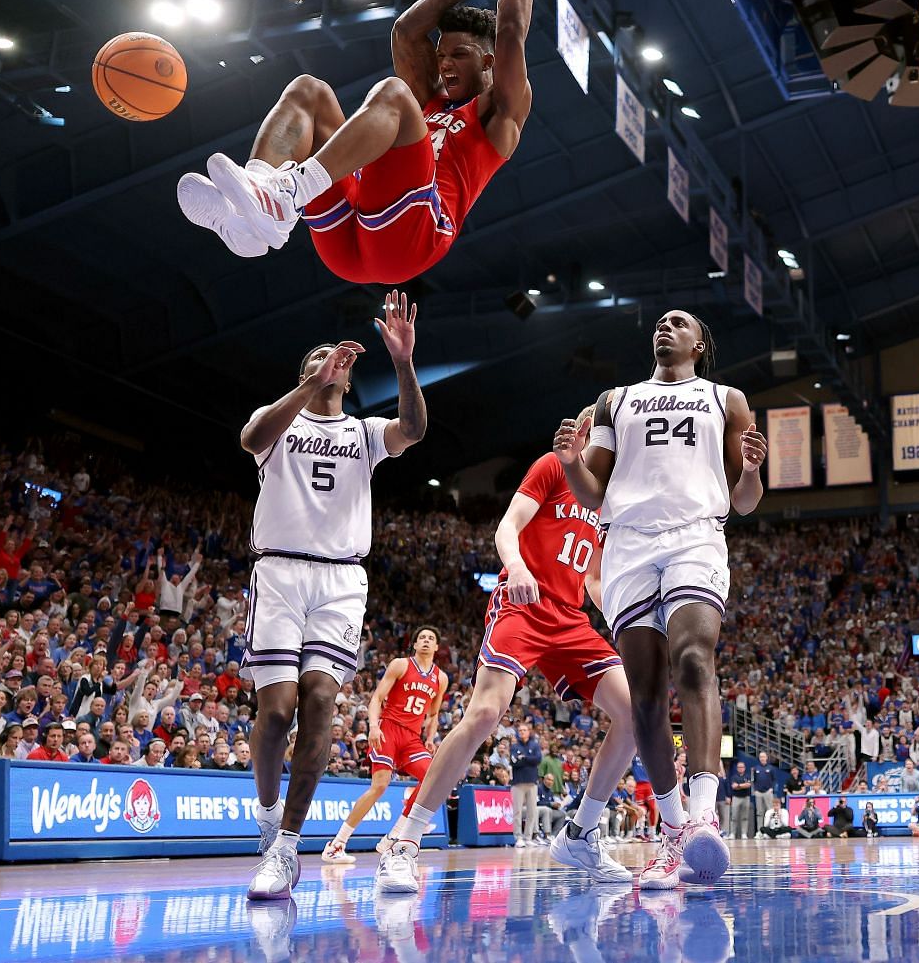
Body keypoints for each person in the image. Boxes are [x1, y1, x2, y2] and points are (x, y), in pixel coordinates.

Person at [180, 0, 537, 281]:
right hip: (354, 232)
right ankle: (251, 211)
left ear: (488, 62)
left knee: (394, 92)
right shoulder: (430, 99)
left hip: (414, 238)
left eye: (458, 55)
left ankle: (288, 192)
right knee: (309, 90)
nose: (444, 64)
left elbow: (511, 29)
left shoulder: (501, 111)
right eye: (441, 55)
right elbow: (405, 32)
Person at [375, 413, 640, 891]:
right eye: (586, 421)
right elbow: (507, 527)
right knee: (484, 713)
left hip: (570, 619)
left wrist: (624, 623)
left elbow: (595, 579)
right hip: (523, 602)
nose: (589, 428)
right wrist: (516, 567)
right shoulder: (554, 467)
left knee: (636, 714)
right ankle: (405, 840)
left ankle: (580, 833)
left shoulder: (607, 501)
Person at [552, 312, 768, 890]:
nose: (665, 327)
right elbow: (592, 491)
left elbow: (745, 502)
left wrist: (749, 471)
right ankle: (673, 832)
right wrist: (572, 462)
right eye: (661, 322)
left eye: (681, 323)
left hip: (696, 534)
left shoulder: (727, 399)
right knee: (645, 695)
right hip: (627, 544)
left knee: (694, 659)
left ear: (701, 342)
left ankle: (703, 814)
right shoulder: (615, 401)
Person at [240, 292, 425, 900]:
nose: (332, 361)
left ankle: (288, 848)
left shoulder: (364, 432)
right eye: (318, 359)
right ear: (306, 375)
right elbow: (249, 438)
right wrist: (306, 386)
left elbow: (413, 429)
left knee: (320, 700)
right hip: (280, 573)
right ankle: (267, 815)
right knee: (275, 713)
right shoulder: (281, 422)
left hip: (341, 580)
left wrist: (402, 362)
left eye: (336, 359)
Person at [322, 626, 447, 864]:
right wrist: (373, 726)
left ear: (437, 647)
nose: (426, 641)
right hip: (388, 729)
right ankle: (336, 845)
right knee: (379, 786)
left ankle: (395, 833)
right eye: (422, 637)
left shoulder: (440, 678)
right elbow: (377, 698)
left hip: (412, 738)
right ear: (415, 644)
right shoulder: (400, 664)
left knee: (435, 777)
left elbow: (433, 714)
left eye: (431, 638)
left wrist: (430, 738)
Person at [727, 760, 755, 839]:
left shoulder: (748, 776)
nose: (740, 768)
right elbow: (733, 786)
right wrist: (742, 785)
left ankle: (744, 833)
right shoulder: (734, 777)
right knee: (734, 816)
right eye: (739, 767)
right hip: (736, 797)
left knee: (745, 817)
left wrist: (738, 785)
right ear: (737, 768)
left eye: (742, 767)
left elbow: (748, 785)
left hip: (746, 797)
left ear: (744, 768)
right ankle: (732, 833)